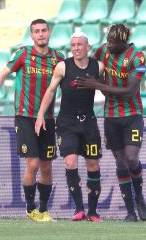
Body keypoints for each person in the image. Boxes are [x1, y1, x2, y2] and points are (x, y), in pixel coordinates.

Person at [0, 19, 64, 222]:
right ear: (31, 35)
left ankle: (43, 210)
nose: (40, 34)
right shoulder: (23, 53)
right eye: (36, 32)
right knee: (33, 164)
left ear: (49, 33)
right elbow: (2, 74)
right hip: (25, 116)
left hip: (48, 118)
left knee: (47, 166)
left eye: (43, 31)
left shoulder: (58, 58)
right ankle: (30, 208)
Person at [75, 24, 146, 222]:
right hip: (111, 115)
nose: (108, 44)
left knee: (131, 158)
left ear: (123, 42)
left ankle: (139, 196)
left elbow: (129, 91)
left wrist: (98, 85)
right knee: (120, 161)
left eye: (113, 42)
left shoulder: (137, 57)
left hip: (132, 114)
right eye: (107, 39)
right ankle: (130, 212)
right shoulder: (103, 51)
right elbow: (88, 63)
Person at [35, 32, 105, 222]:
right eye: (73, 45)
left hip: (89, 121)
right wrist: (40, 115)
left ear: (87, 47)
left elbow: (108, 89)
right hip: (66, 122)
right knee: (70, 162)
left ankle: (93, 211)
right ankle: (79, 209)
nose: (76, 48)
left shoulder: (97, 67)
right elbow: (50, 91)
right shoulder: (63, 66)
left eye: (80, 45)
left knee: (93, 164)